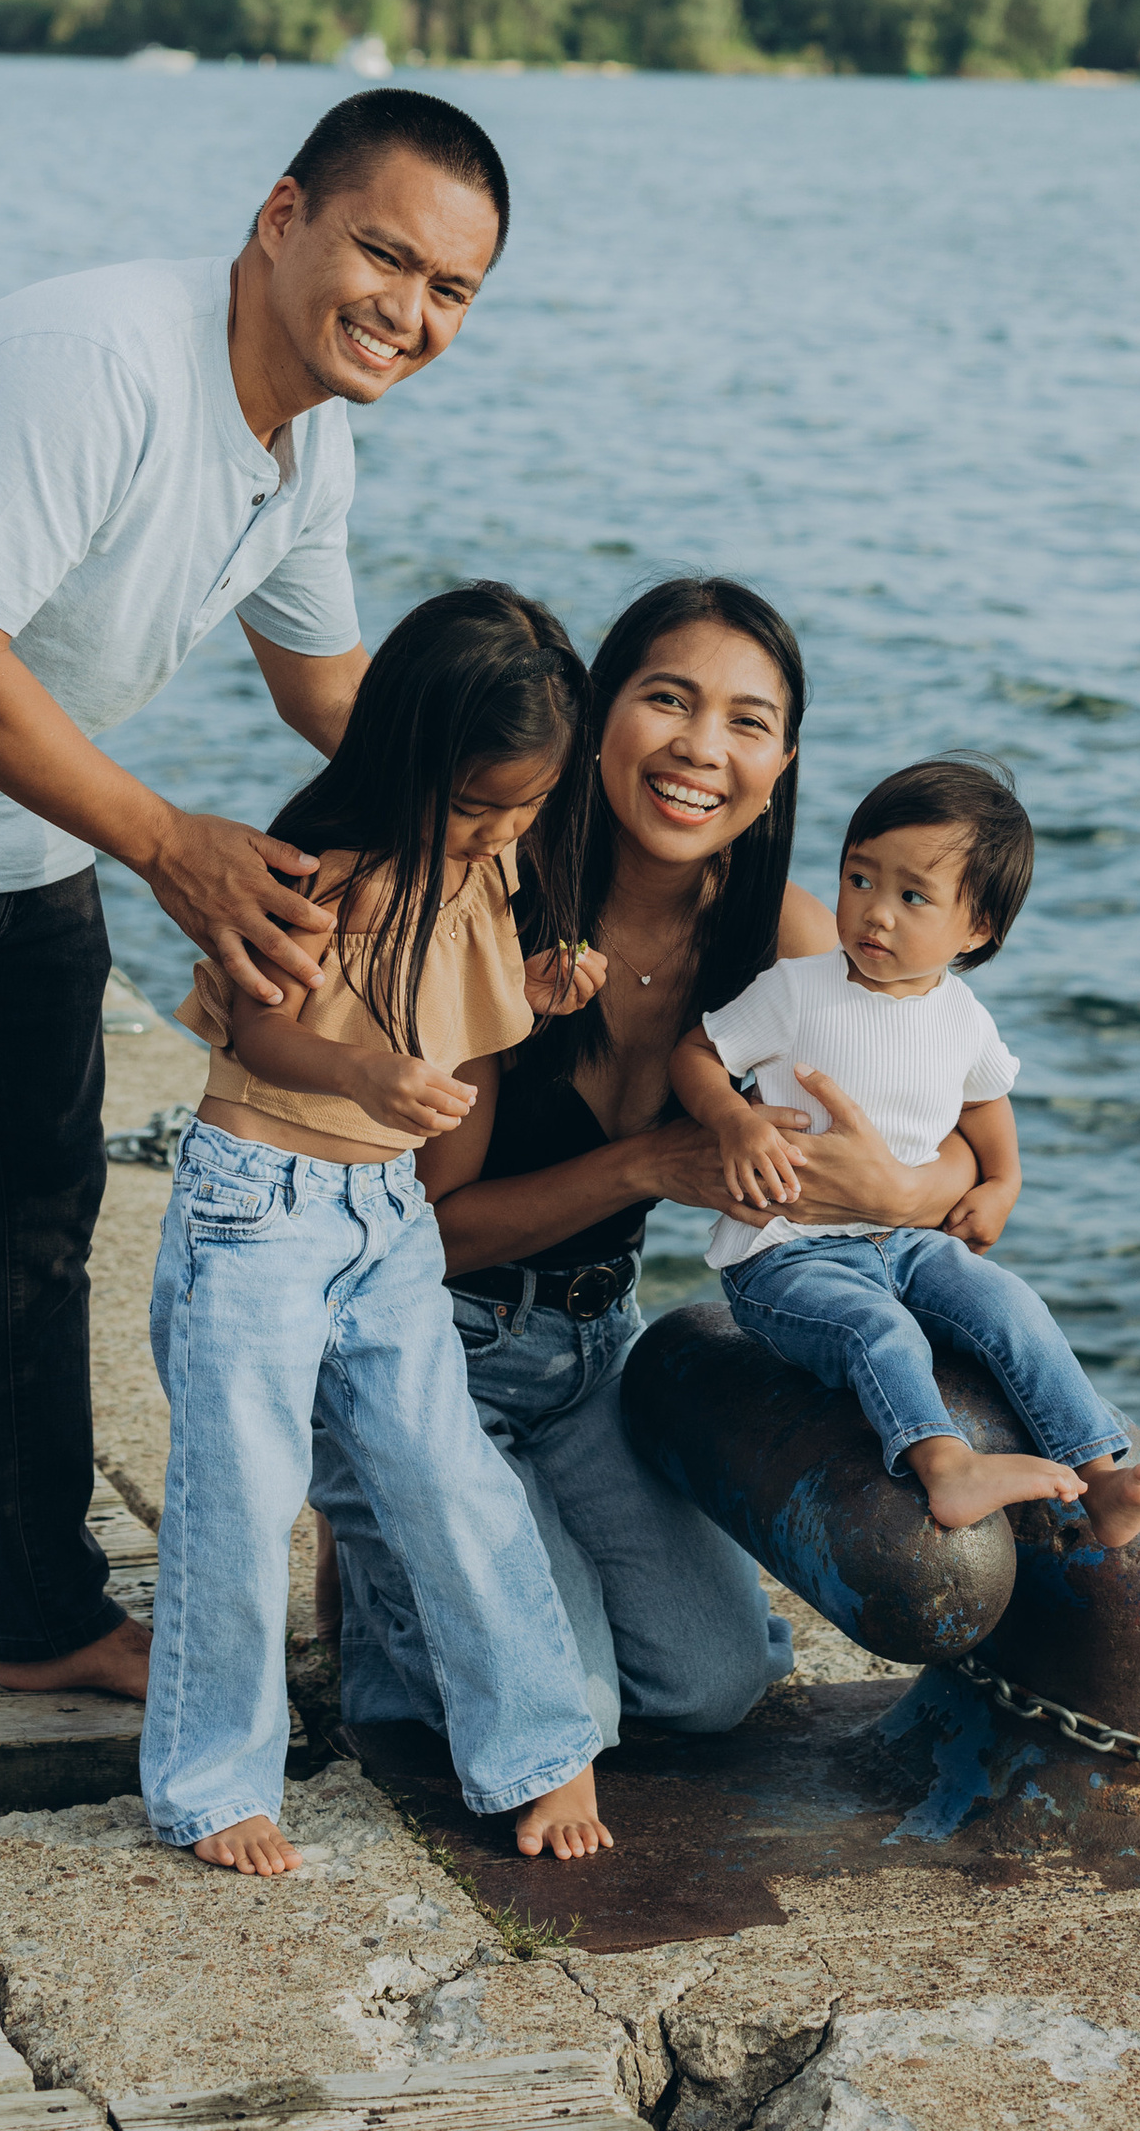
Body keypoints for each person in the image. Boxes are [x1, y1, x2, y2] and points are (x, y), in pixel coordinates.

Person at [0, 86, 511, 1875]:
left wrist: (511, 830)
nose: (409, 310)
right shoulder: (103, 369)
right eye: (384, 253)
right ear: (282, 216)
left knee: (41, 1213)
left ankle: (43, 1616)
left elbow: (332, 698)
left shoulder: (306, 445)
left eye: (452, 289)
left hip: (11, 805)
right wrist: (168, 844)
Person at [311, 576, 993, 1755]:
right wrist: (649, 1165)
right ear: (595, 716)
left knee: (711, 1686)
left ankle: (457, 1561)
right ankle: (376, 1521)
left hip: (592, 1356)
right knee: (567, 1716)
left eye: (746, 722)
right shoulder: (497, 899)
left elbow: (961, 1150)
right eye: (667, 700)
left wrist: (901, 1193)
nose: (700, 749)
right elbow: (433, 1231)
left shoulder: (784, 940)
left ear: (780, 764)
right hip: (427, 1338)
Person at [147, 583, 615, 1875]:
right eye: (475, 807)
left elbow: (452, 986)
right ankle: (214, 1780)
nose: (499, 833)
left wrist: (537, 986)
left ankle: (538, 1746)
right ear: (410, 758)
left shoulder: (486, 862)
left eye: (525, 807)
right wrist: (360, 1075)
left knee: (448, 1474)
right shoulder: (321, 869)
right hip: (260, 1207)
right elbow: (259, 1031)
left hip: (386, 1215)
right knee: (240, 1494)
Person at [674, 757, 1140, 1545]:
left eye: (912, 897)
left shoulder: (963, 1018)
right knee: (878, 1329)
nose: (874, 913)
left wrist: (1003, 1183)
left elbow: (985, 1103)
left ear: (976, 929)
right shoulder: (797, 990)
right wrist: (732, 1121)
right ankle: (945, 1465)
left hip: (908, 1241)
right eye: (859, 879)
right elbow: (697, 1054)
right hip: (784, 1254)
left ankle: (1100, 1477)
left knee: (1010, 1307)